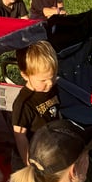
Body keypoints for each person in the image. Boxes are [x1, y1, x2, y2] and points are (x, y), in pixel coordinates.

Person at [11, 40, 62, 169]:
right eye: (43, 80)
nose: (50, 83)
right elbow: (20, 136)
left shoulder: (51, 88)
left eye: (53, 76)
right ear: (25, 75)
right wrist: (29, 163)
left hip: (49, 145)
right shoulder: (24, 103)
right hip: (33, 154)